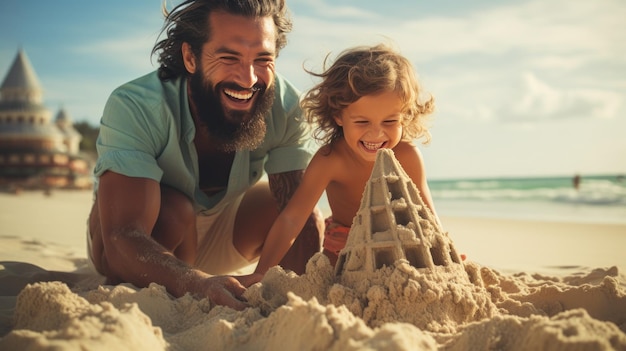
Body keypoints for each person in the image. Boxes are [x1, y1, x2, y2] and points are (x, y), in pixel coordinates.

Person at [87, 0, 323, 311]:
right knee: (175, 211)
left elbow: (298, 217)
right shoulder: (136, 105)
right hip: (146, 238)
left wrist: (298, 298)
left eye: (262, 59)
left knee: (301, 210)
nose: (249, 78)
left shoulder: (286, 106)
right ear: (190, 57)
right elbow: (122, 236)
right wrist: (196, 282)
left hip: (226, 234)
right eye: (229, 57)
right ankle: (174, 291)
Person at [238, 44, 441, 286]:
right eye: (362, 121)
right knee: (337, 285)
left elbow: (427, 215)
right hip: (343, 245)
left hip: (400, 243)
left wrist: (443, 251)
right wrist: (262, 271)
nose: (376, 133)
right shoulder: (330, 160)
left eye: (390, 121)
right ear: (338, 116)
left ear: (405, 116)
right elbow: (292, 219)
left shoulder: (407, 156)